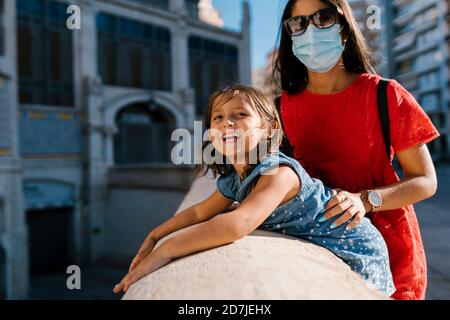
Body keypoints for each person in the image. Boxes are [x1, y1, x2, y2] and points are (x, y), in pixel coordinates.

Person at [113, 85, 395, 296]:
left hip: (357, 249)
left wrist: (169, 249)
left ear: (270, 129)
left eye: (239, 115)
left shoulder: (279, 173)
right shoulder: (236, 178)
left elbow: (237, 224)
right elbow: (200, 211)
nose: (227, 123)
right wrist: (156, 235)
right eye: (218, 118)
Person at [275, 0, 439, 299]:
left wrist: (366, 200)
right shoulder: (278, 109)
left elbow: (426, 181)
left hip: (391, 248)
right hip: (312, 245)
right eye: (298, 23)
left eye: (323, 18)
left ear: (345, 29)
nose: (310, 30)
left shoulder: (385, 94)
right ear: (290, 35)